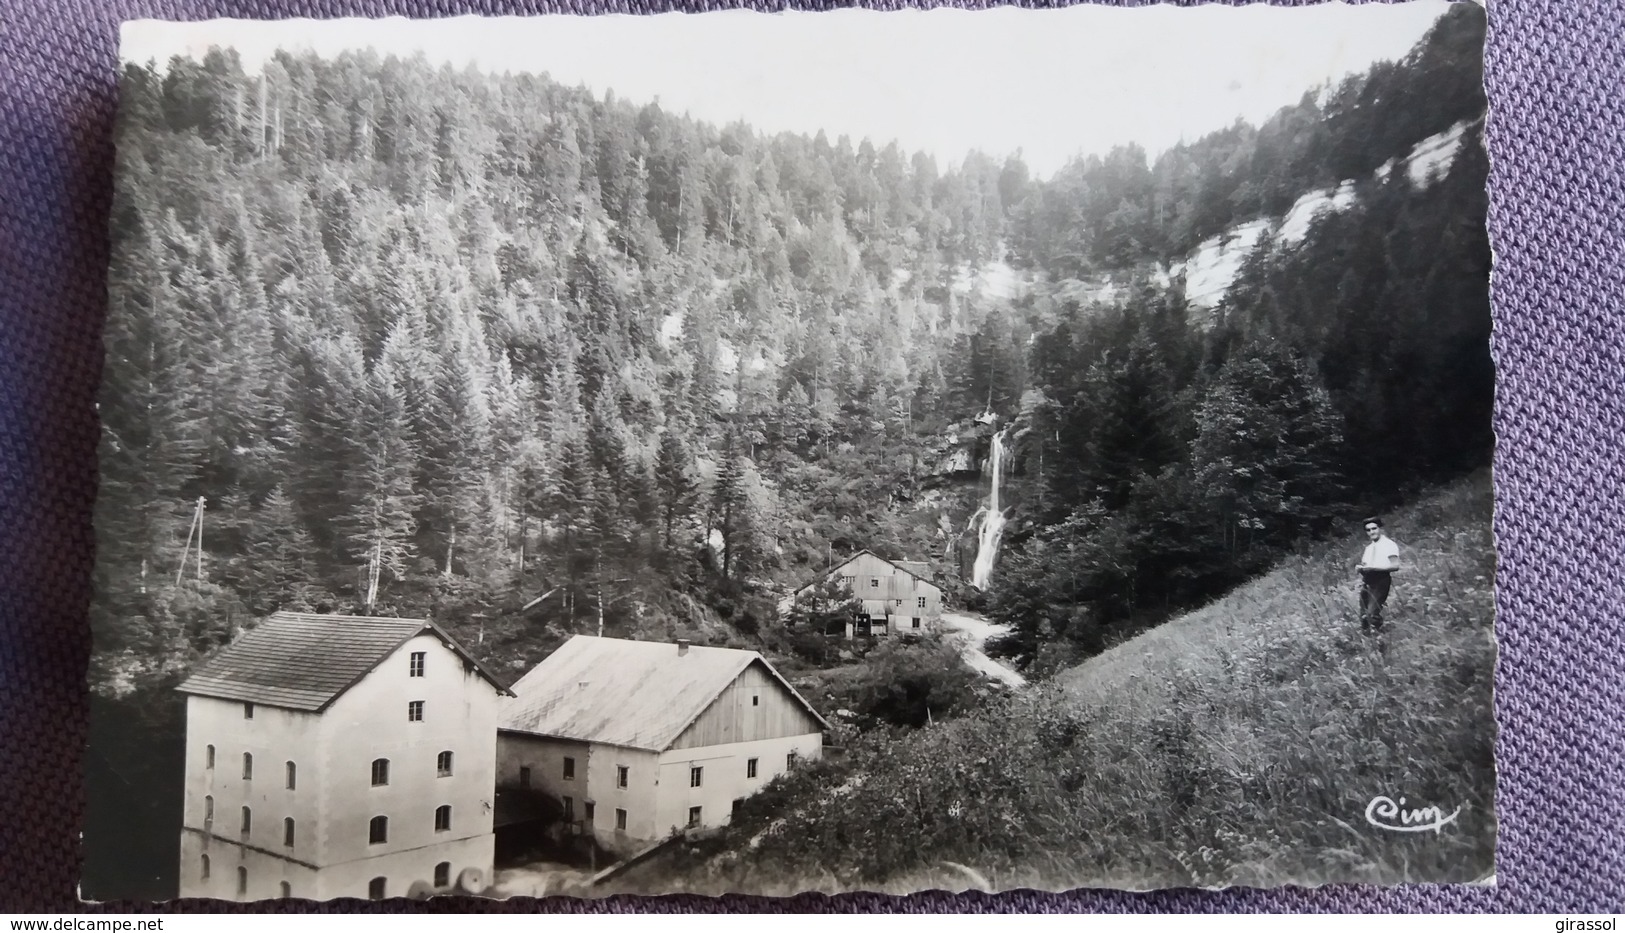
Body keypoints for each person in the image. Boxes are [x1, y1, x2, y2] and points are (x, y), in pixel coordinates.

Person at [1357, 516, 1401, 632]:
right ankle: (1368, 641)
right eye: (1368, 530)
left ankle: (1380, 638)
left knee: (1372, 613)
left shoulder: (1389, 545)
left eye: (1374, 528)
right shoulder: (1369, 548)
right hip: (1367, 581)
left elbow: (1395, 566)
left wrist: (1374, 568)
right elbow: (1366, 565)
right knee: (1364, 616)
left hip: (1381, 580)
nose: (1372, 532)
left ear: (1380, 528)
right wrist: (1361, 568)